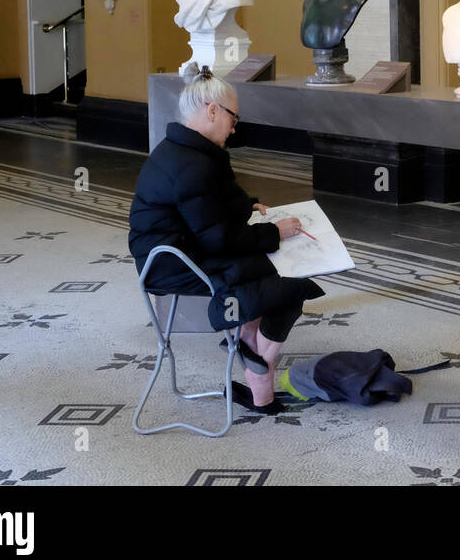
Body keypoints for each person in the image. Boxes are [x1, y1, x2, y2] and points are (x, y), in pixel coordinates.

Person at [129, 68, 321, 412]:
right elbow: (219, 238)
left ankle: (248, 345)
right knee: (291, 281)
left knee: (277, 269)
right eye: (234, 116)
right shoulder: (191, 164)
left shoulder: (190, 150)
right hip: (175, 264)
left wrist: (250, 206)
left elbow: (216, 202)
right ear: (212, 110)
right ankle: (259, 370)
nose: (235, 126)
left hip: (188, 249)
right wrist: (274, 233)